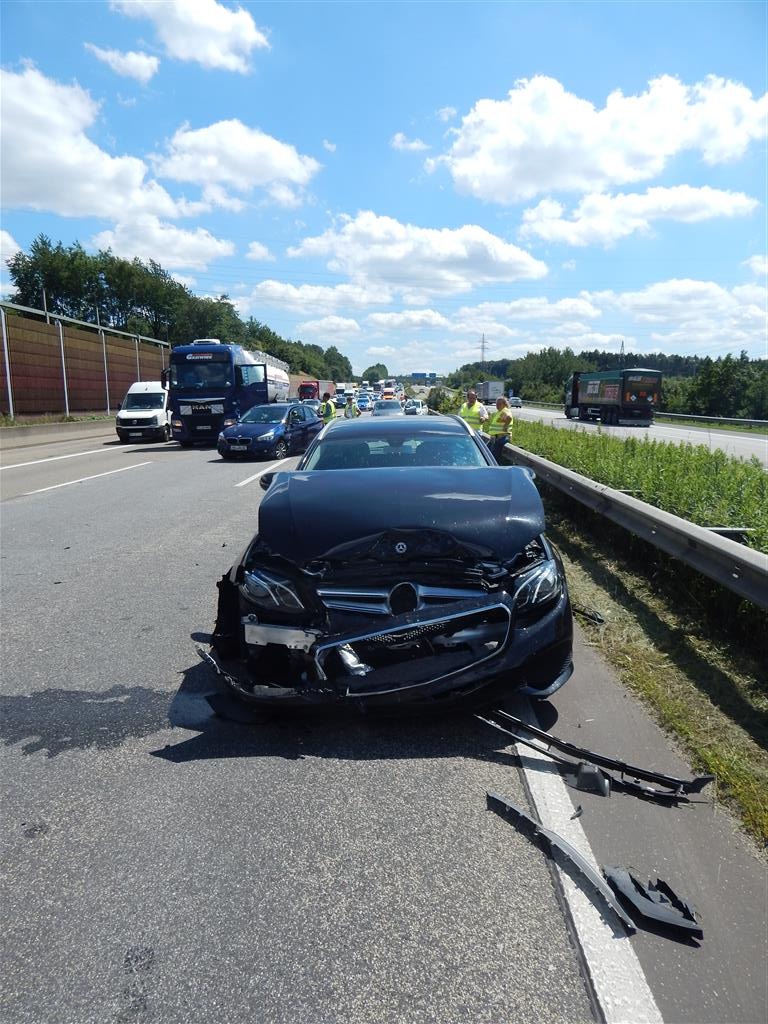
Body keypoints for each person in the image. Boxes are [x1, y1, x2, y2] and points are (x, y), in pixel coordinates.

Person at [486, 395, 513, 459]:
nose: (497, 405)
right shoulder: (500, 412)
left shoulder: (504, 411)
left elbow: (509, 418)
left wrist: (505, 426)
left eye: (499, 404)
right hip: (496, 438)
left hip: (501, 438)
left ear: (504, 404)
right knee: (486, 454)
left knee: (491, 457)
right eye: (496, 404)